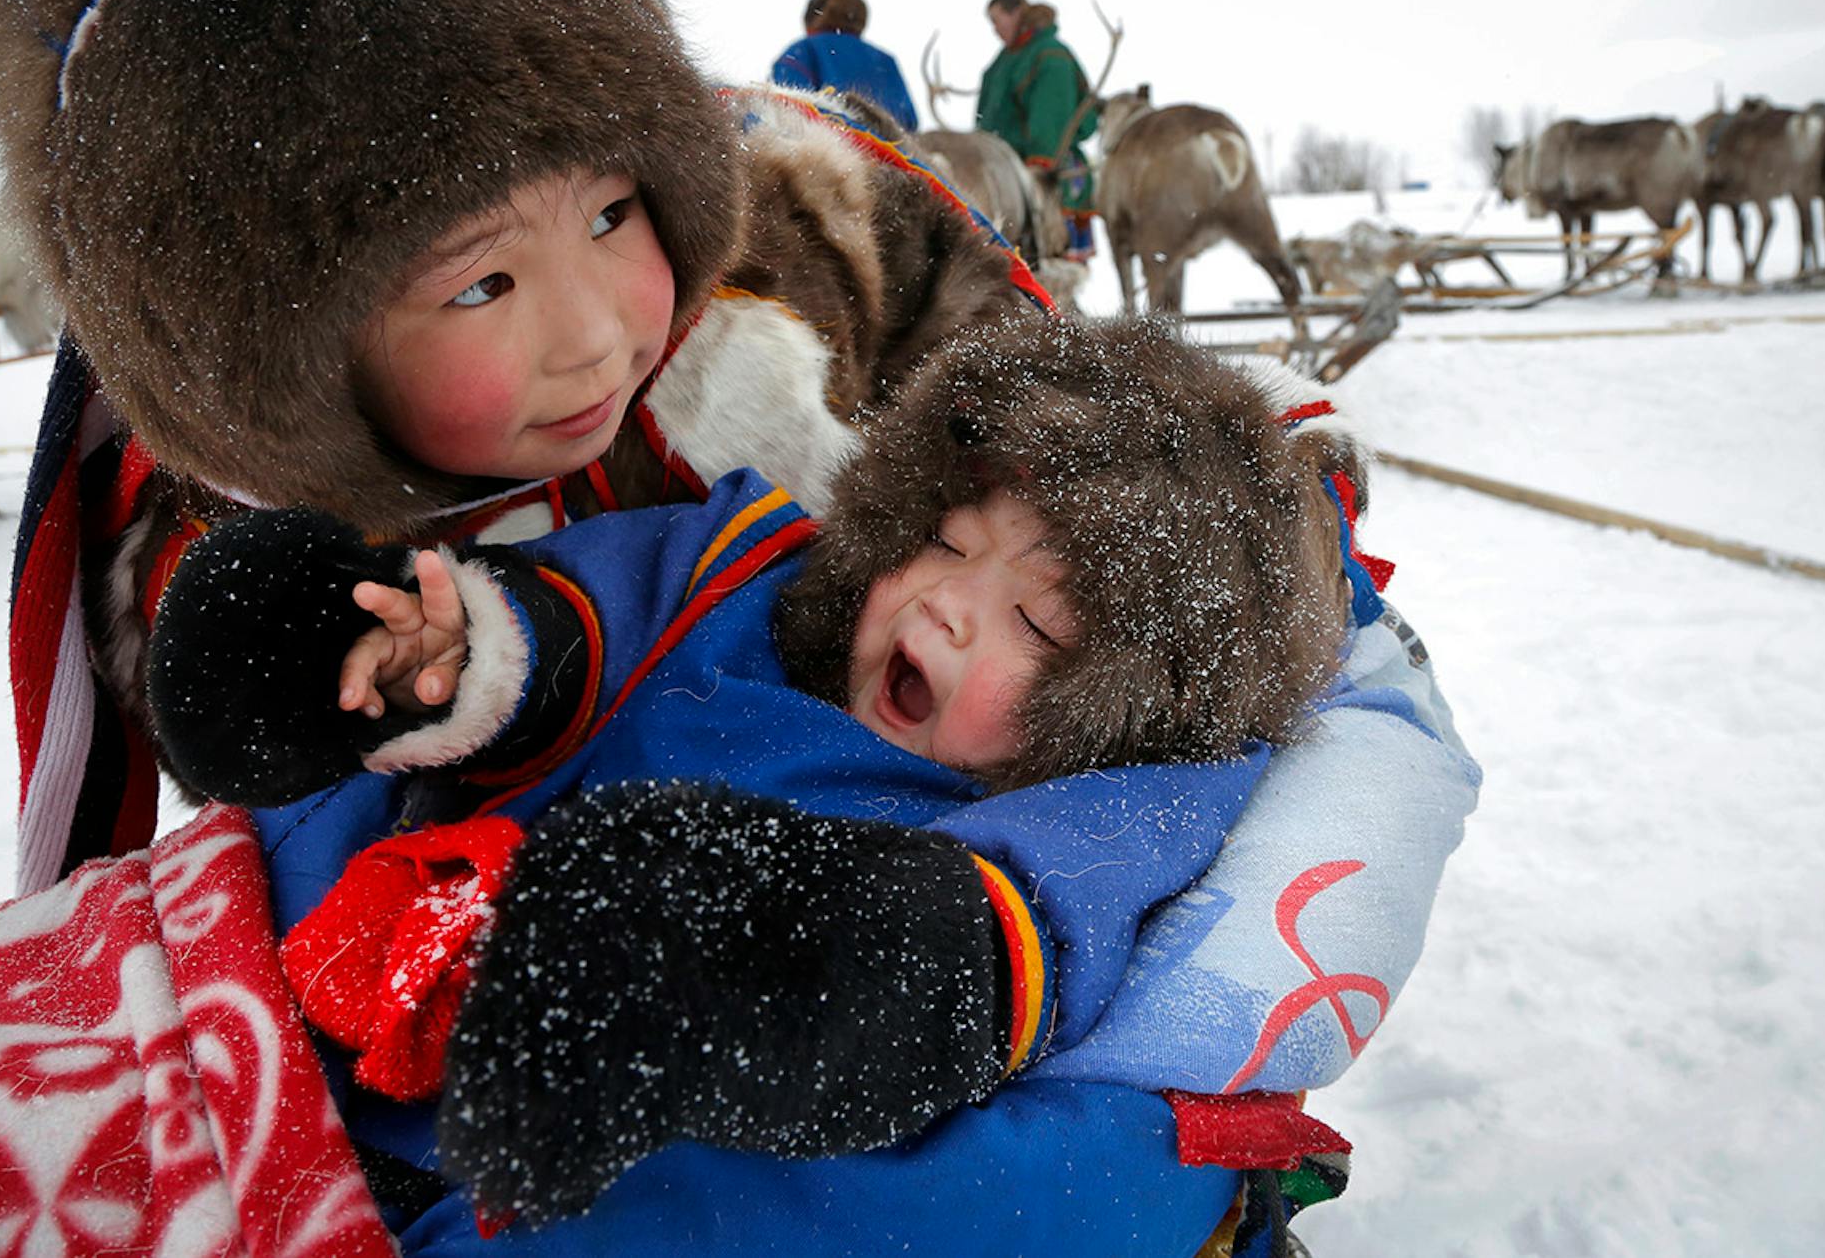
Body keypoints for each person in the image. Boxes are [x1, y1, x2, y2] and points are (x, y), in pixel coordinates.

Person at [0, 0, 1481, 1252]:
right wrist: (410, 658)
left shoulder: (811, 279)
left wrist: (1257, 509)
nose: (593, 334)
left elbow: (1057, 457)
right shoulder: (255, 495)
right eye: (480, 282)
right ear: (270, 350)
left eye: (622, 218)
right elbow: (606, 614)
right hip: (337, 1010)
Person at [143, 313, 1364, 1225]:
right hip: (302, 1001)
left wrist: (741, 950)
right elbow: (603, 610)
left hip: (568, 1160)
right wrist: (439, 657)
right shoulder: (759, 588)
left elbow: (988, 953)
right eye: (941, 540)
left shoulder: (1098, 805)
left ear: (1131, 705)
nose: (940, 602)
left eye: (1037, 624)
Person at [977, 0, 1101, 262]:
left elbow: (1050, 115)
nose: (995, 30)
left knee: (1050, 262)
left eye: (997, 21)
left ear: (1016, 14)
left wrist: (1040, 164)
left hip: (1045, 176)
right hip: (1007, 168)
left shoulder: (1049, 55)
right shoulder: (1009, 58)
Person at [770, 0, 921, 133]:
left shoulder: (803, 50)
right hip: (894, 153)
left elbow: (785, 108)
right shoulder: (886, 60)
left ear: (812, 22)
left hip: (831, 148)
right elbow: (910, 121)